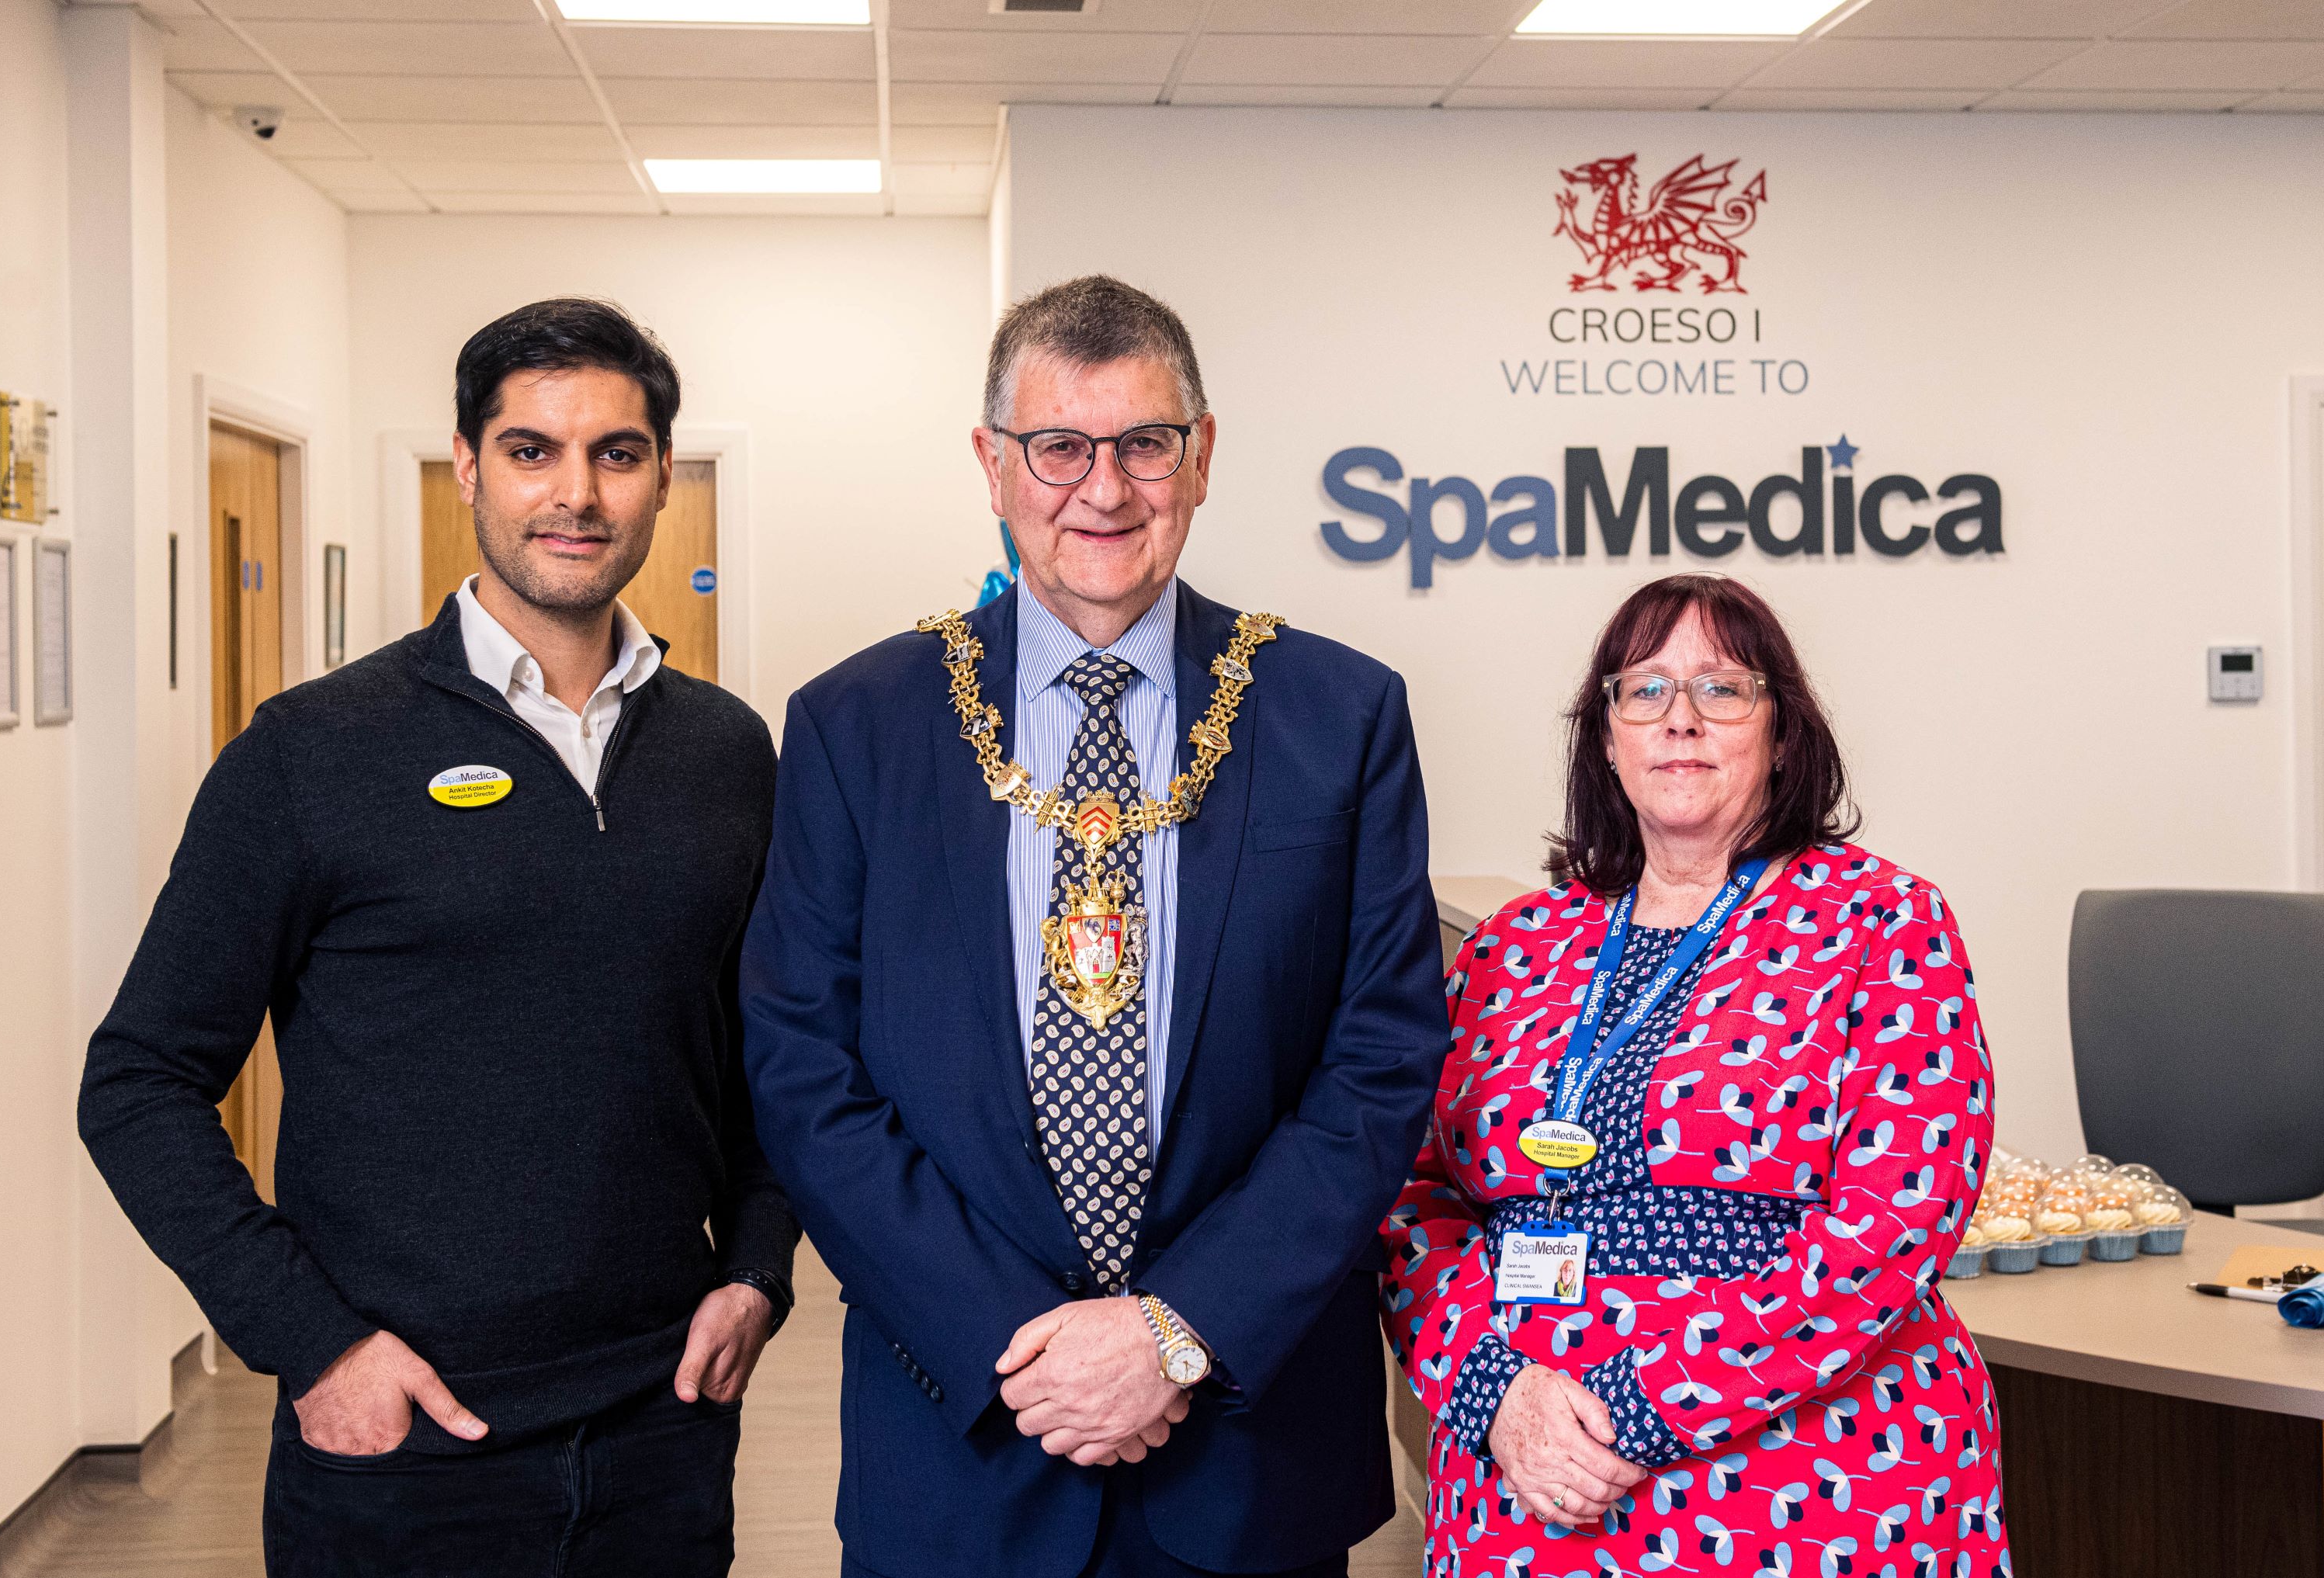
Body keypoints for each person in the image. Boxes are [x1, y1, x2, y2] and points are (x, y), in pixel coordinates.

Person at [740, 274, 1448, 1578]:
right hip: (963, 1436)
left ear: (1203, 453)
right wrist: (1025, 1344)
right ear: (991, 464)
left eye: (1144, 444)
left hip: (1249, 1445)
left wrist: (1175, 1331)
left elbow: (1381, 1061)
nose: (1103, 490)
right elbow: (803, 1068)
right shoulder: (860, 724)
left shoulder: (1336, 715)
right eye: (1059, 446)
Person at [78, 298, 798, 1577]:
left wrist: (753, 1270)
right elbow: (136, 1081)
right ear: (468, 464)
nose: (573, 494)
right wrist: (312, 1340)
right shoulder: (312, 754)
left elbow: (774, 1054)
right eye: (531, 450)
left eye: (616, 454)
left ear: (659, 477)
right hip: (401, 1454)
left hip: (662, 1433)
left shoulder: (728, 754)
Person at [1380, 574, 2010, 1576]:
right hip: (1527, 1473)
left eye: (1721, 689)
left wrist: (1638, 1406)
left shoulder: (1883, 922)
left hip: (1811, 1481)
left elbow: (1892, 1226)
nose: (1679, 720)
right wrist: (1493, 1388)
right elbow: (1409, 1197)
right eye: (1643, 691)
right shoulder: (1511, 945)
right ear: (1604, 736)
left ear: (1783, 732)